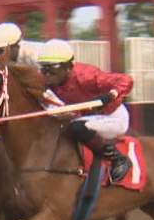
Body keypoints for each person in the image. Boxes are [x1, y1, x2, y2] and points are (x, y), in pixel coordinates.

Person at [36, 38, 135, 182]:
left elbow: (126, 80)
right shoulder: (50, 82)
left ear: (68, 67)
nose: (46, 73)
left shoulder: (86, 75)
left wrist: (111, 95)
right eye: (43, 68)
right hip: (89, 118)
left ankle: (119, 159)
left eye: (52, 68)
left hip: (113, 118)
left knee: (76, 127)